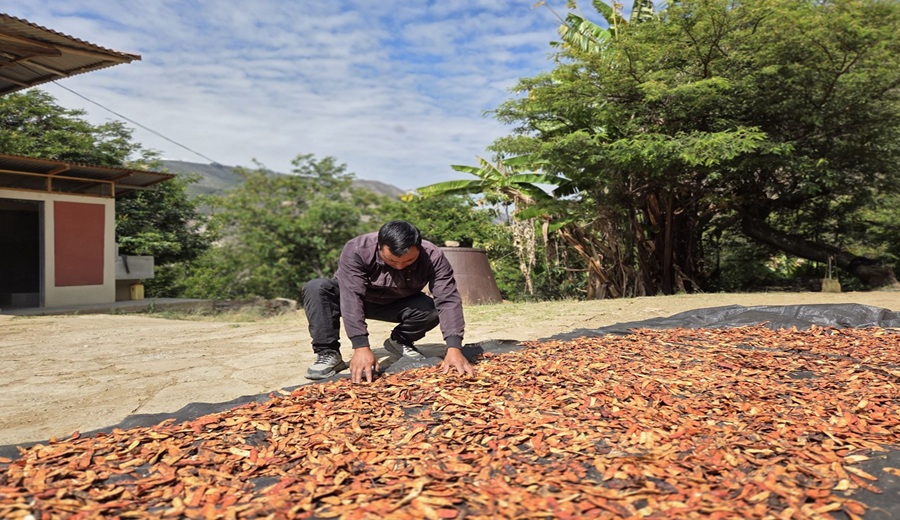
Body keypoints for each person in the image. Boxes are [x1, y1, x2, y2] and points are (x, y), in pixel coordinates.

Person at [302, 220, 475, 383]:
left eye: (409, 261)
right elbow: (352, 297)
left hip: (399, 301)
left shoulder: (432, 255)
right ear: (379, 247)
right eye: (392, 260)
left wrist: (454, 348)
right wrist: (360, 346)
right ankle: (328, 353)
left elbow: (448, 299)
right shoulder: (357, 249)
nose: (399, 266)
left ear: (419, 248)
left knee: (432, 309)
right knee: (316, 287)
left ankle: (400, 340)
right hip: (357, 299)